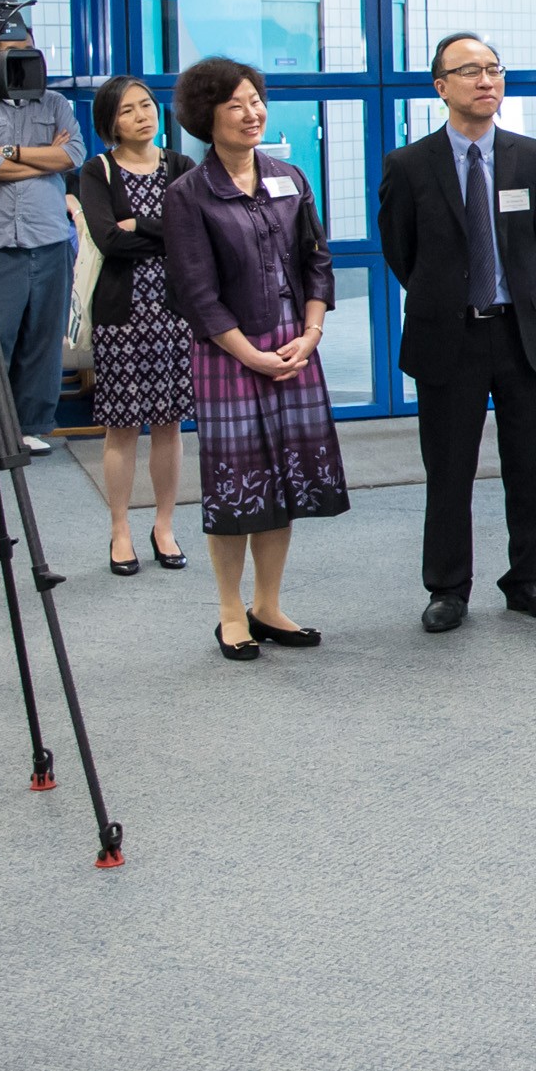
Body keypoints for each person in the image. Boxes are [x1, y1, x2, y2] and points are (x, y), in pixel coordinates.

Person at [378, 33, 536, 635]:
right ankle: (447, 587)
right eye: (469, 71)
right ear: (441, 87)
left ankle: (528, 580)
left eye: (493, 69)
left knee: (531, 467)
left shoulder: (533, 158)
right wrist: (450, 294)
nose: (486, 81)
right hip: (449, 335)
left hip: (522, 333)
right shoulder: (409, 165)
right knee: (449, 469)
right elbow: (401, 251)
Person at [163, 56, 343, 660]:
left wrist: (312, 332)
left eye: (256, 101)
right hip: (229, 352)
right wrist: (253, 356)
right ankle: (229, 611)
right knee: (236, 483)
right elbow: (195, 293)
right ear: (206, 116)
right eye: (235, 104)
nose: (252, 113)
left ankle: (267, 604)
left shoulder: (289, 176)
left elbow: (316, 260)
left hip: (294, 343)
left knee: (283, 479)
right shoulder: (188, 194)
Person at [74, 75, 195, 579]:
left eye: (146, 105)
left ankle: (164, 526)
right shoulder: (97, 170)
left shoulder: (181, 167)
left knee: (169, 424)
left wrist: (140, 227)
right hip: (121, 317)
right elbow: (107, 240)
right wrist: (163, 235)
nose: (142, 115)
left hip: (175, 314)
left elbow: (194, 234)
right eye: (128, 110)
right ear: (111, 122)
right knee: (122, 426)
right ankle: (120, 529)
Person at [0, 20, 81, 456]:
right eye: (8, 51)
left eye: (26, 49)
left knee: (43, 340)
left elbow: (74, 155)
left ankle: (31, 426)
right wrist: (45, 158)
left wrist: (11, 152)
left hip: (50, 238)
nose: (19, 59)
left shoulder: (56, 102)